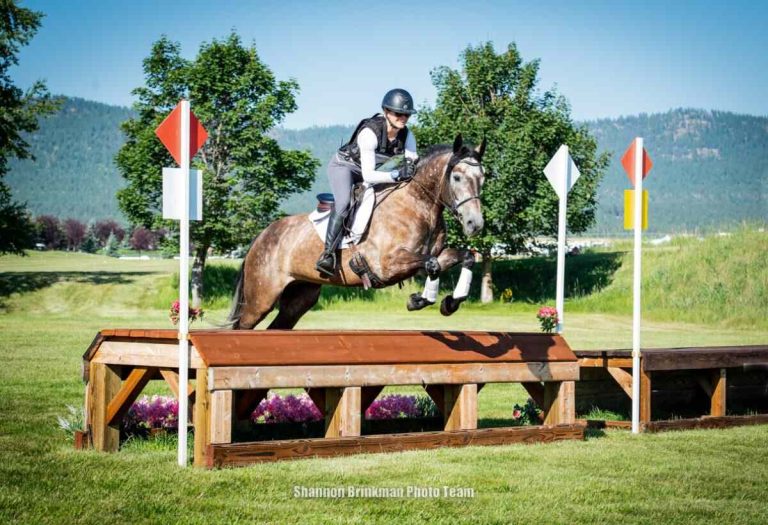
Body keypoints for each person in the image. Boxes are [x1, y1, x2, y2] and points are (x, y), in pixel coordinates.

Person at [315, 88, 419, 277]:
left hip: (370, 172)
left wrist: (411, 169)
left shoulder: (407, 135)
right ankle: (328, 254)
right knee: (344, 202)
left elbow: (413, 161)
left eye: (407, 114)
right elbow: (369, 175)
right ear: (386, 112)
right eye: (398, 113)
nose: (403, 117)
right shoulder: (370, 132)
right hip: (344, 167)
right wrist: (396, 175)